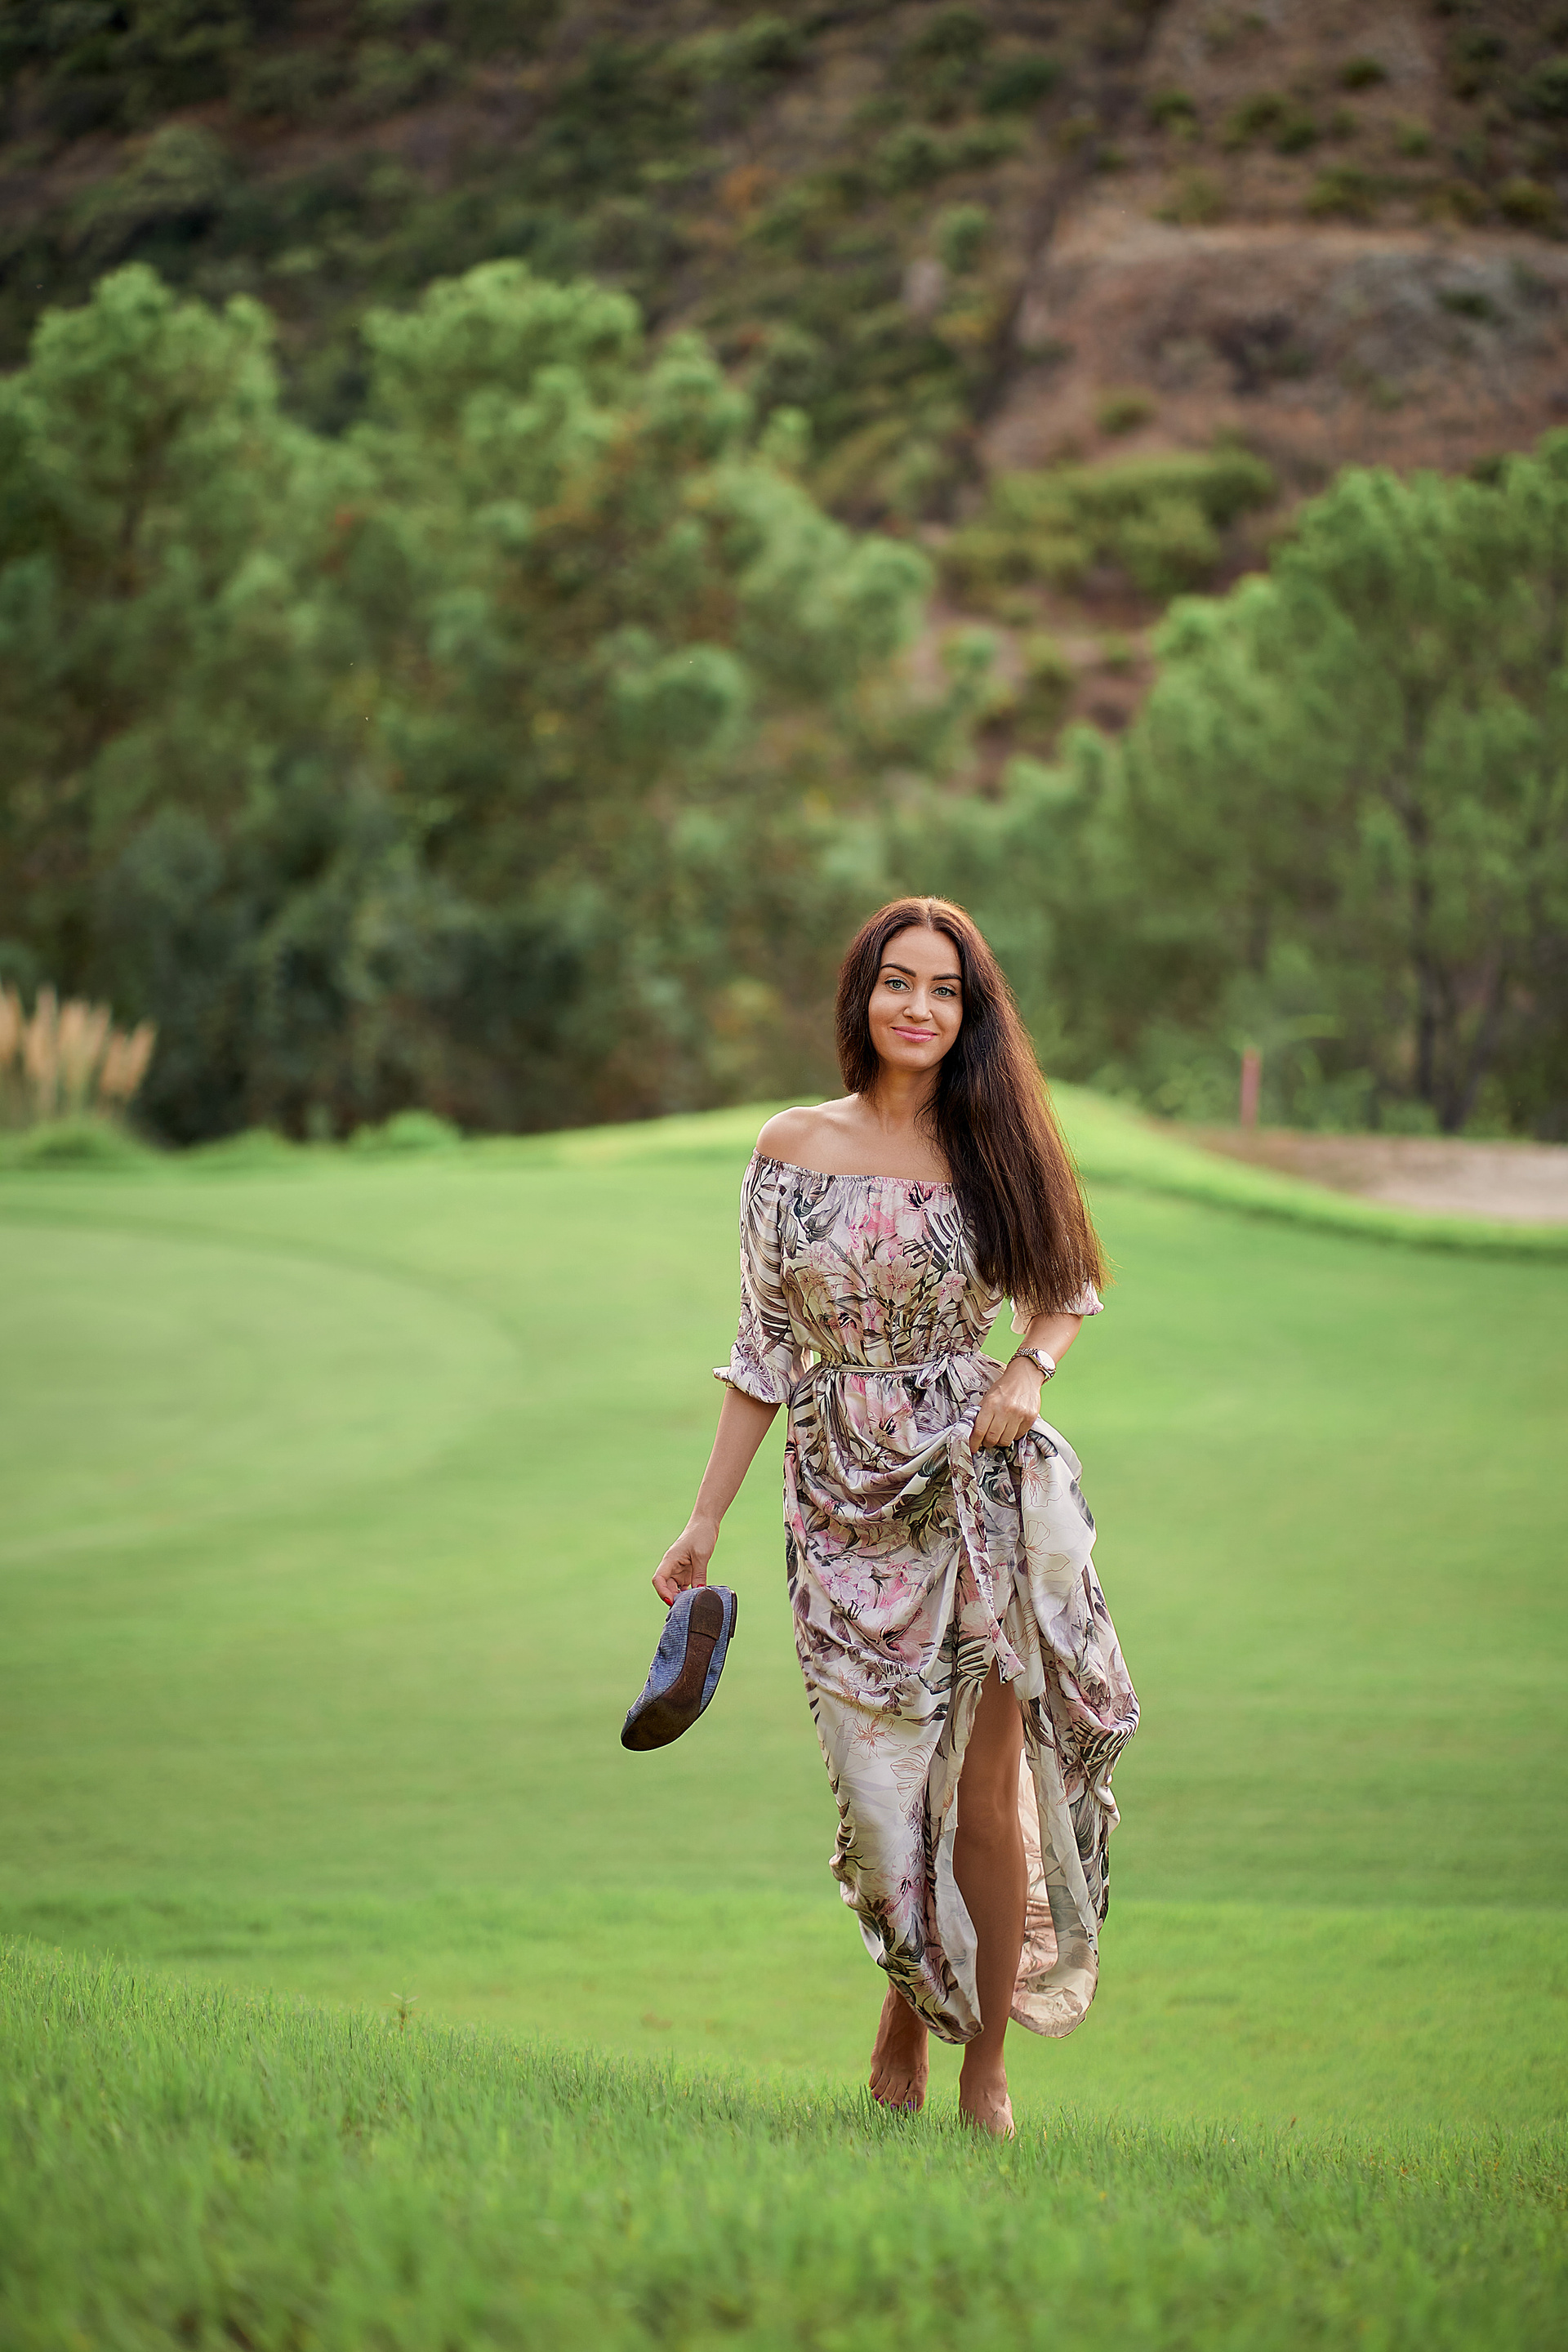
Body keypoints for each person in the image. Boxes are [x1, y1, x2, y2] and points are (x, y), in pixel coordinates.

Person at [653, 897, 1138, 2136]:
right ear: (862, 994)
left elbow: (1069, 1284)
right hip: (838, 1495)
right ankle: (908, 2002)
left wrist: (1028, 1372)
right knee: (884, 1800)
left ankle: (984, 2072)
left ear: (971, 1014)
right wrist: (702, 1522)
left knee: (982, 1786)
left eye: (945, 989)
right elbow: (762, 1351)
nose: (919, 1007)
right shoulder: (790, 1146)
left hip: (977, 1480)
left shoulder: (997, 1142)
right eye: (898, 981)